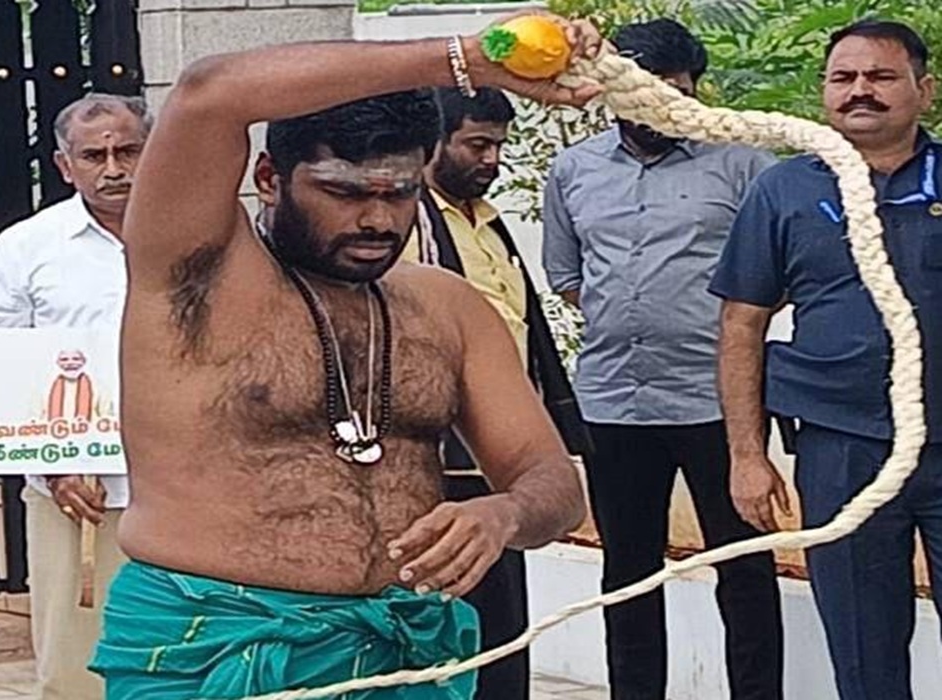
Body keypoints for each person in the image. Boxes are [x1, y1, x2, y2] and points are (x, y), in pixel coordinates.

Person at [89, 12, 605, 699]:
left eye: (400, 193)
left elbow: (553, 482)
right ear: (269, 177)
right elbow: (210, 92)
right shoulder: (197, 275)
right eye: (345, 192)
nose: (378, 219)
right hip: (214, 641)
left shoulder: (447, 308)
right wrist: (469, 59)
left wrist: (503, 514)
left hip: (406, 645)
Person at [542, 18, 784, 700]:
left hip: (719, 406)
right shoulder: (574, 170)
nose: (652, 105)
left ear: (693, 89)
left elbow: (776, 277)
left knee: (744, 569)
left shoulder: (745, 166)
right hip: (614, 402)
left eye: (669, 89)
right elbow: (567, 277)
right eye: (637, 89)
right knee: (627, 572)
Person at [711, 19, 940, 700]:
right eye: (844, 78)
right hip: (841, 447)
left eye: (881, 76)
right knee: (865, 659)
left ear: (924, 90)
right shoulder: (783, 190)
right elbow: (741, 324)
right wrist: (747, 456)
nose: (860, 90)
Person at [401, 85, 593, 700]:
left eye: (499, 147)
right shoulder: (406, 224)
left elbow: (526, 330)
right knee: (451, 623)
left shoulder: (488, 223)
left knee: (504, 625)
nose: (491, 160)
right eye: (477, 144)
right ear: (435, 144)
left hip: (502, 450)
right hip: (440, 458)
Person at [0, 93, 150, 700]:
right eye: (94, 156)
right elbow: (0, 365)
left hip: (187, 484)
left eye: (128, 151)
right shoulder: (27, 246)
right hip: (78, 490)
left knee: (187, 650)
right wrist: (54, 467)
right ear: (64, 165)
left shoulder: (198, 231)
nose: (114, 169)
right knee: (76, 661)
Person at [43, 349, 114, 423]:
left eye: (76, 359)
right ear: (58, 363)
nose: (70, 363)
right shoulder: (47, 388)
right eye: (64, 360)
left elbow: (107, 418)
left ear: (84, 362)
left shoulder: (99, 387)